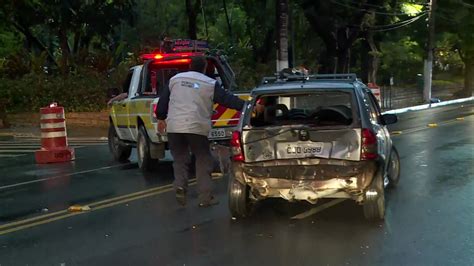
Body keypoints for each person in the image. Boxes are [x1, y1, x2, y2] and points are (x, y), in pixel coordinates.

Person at [155, 56, 245, 207]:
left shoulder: (175, 79)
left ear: (190, 66)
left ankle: (179, 186)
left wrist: (161, 118)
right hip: (196, 127)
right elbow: (228, 100)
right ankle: (205, 197)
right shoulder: (209, 83)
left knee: (180, 159)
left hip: (175, 127)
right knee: (203, 158)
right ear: (205, 68)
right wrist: (247, 106)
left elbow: (163, 101)